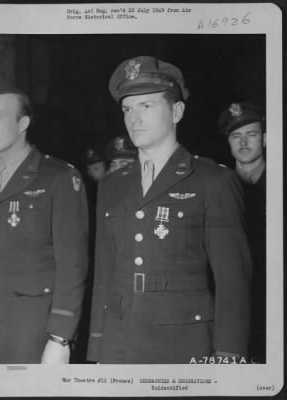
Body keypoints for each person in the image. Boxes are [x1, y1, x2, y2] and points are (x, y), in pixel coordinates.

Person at [87, 56, 252, 364]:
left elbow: (233, 281)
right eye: (127, 109)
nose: (134, 119)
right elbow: (104, 274)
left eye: (146, 106)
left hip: (184, 344)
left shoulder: (212, 181)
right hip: (119, 344)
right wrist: (98, 348)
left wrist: (229, 358)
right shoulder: (112, 185)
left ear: (176, 111)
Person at [0, 88, 88, 364]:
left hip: (29, 329)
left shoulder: (58, 178)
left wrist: (60, 338)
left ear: (22, 124)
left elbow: (72, 263)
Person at [218, 102, 266, 363]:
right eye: (236, 136)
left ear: (266, 138)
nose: (243, 142)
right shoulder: (219, 187)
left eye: (252, 134)